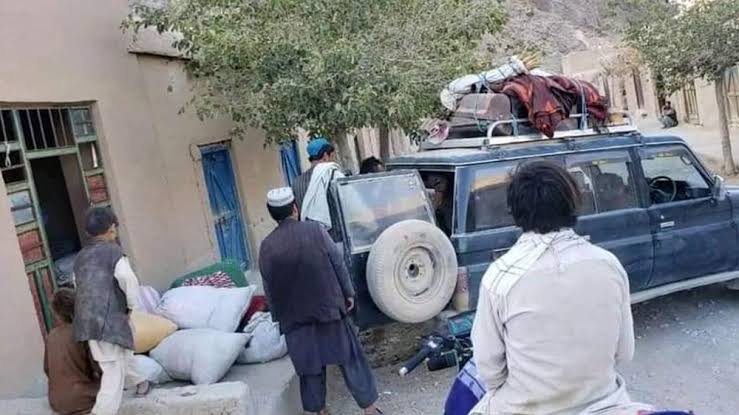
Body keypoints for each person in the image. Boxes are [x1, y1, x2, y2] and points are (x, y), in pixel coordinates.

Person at [470, 161, 650, 415]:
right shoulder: (609, 265)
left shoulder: (501, 276)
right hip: (605, 403)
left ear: (514, 210)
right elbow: (624, 354)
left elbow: (489, 370)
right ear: (572, 203)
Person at [259, 188, 381, 415]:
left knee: (309, 369)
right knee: (351, 359)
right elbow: (337, 262)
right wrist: (348, 293)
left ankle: (319, 411)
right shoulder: (315, 230)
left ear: (271, 214)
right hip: (329, 311)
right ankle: (370, 409)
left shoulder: (267, 246)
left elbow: (269, 287)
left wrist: (278, 317)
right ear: (295, 208)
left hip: (295, 320)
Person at [73, 207, 149, 415]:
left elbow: (78, 286)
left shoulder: (80, 258)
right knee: (113, 370)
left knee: (121, 352)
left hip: (88, 320)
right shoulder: (114, 253)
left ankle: (141, 381)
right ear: (111, 228)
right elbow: (128, 280)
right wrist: (132, 306)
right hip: (111, 319)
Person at [44, 288, 101, 415]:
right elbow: (98, 366)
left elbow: (47, 369)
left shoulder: (51, 335)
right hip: (82, 398)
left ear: (57, 314)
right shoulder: (82, 332)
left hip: (56, 401)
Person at [292, 137, 335, 211]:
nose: (333, 160)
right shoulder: (332, 177)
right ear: (325, 156)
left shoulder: (296, 182)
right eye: (332, 157)